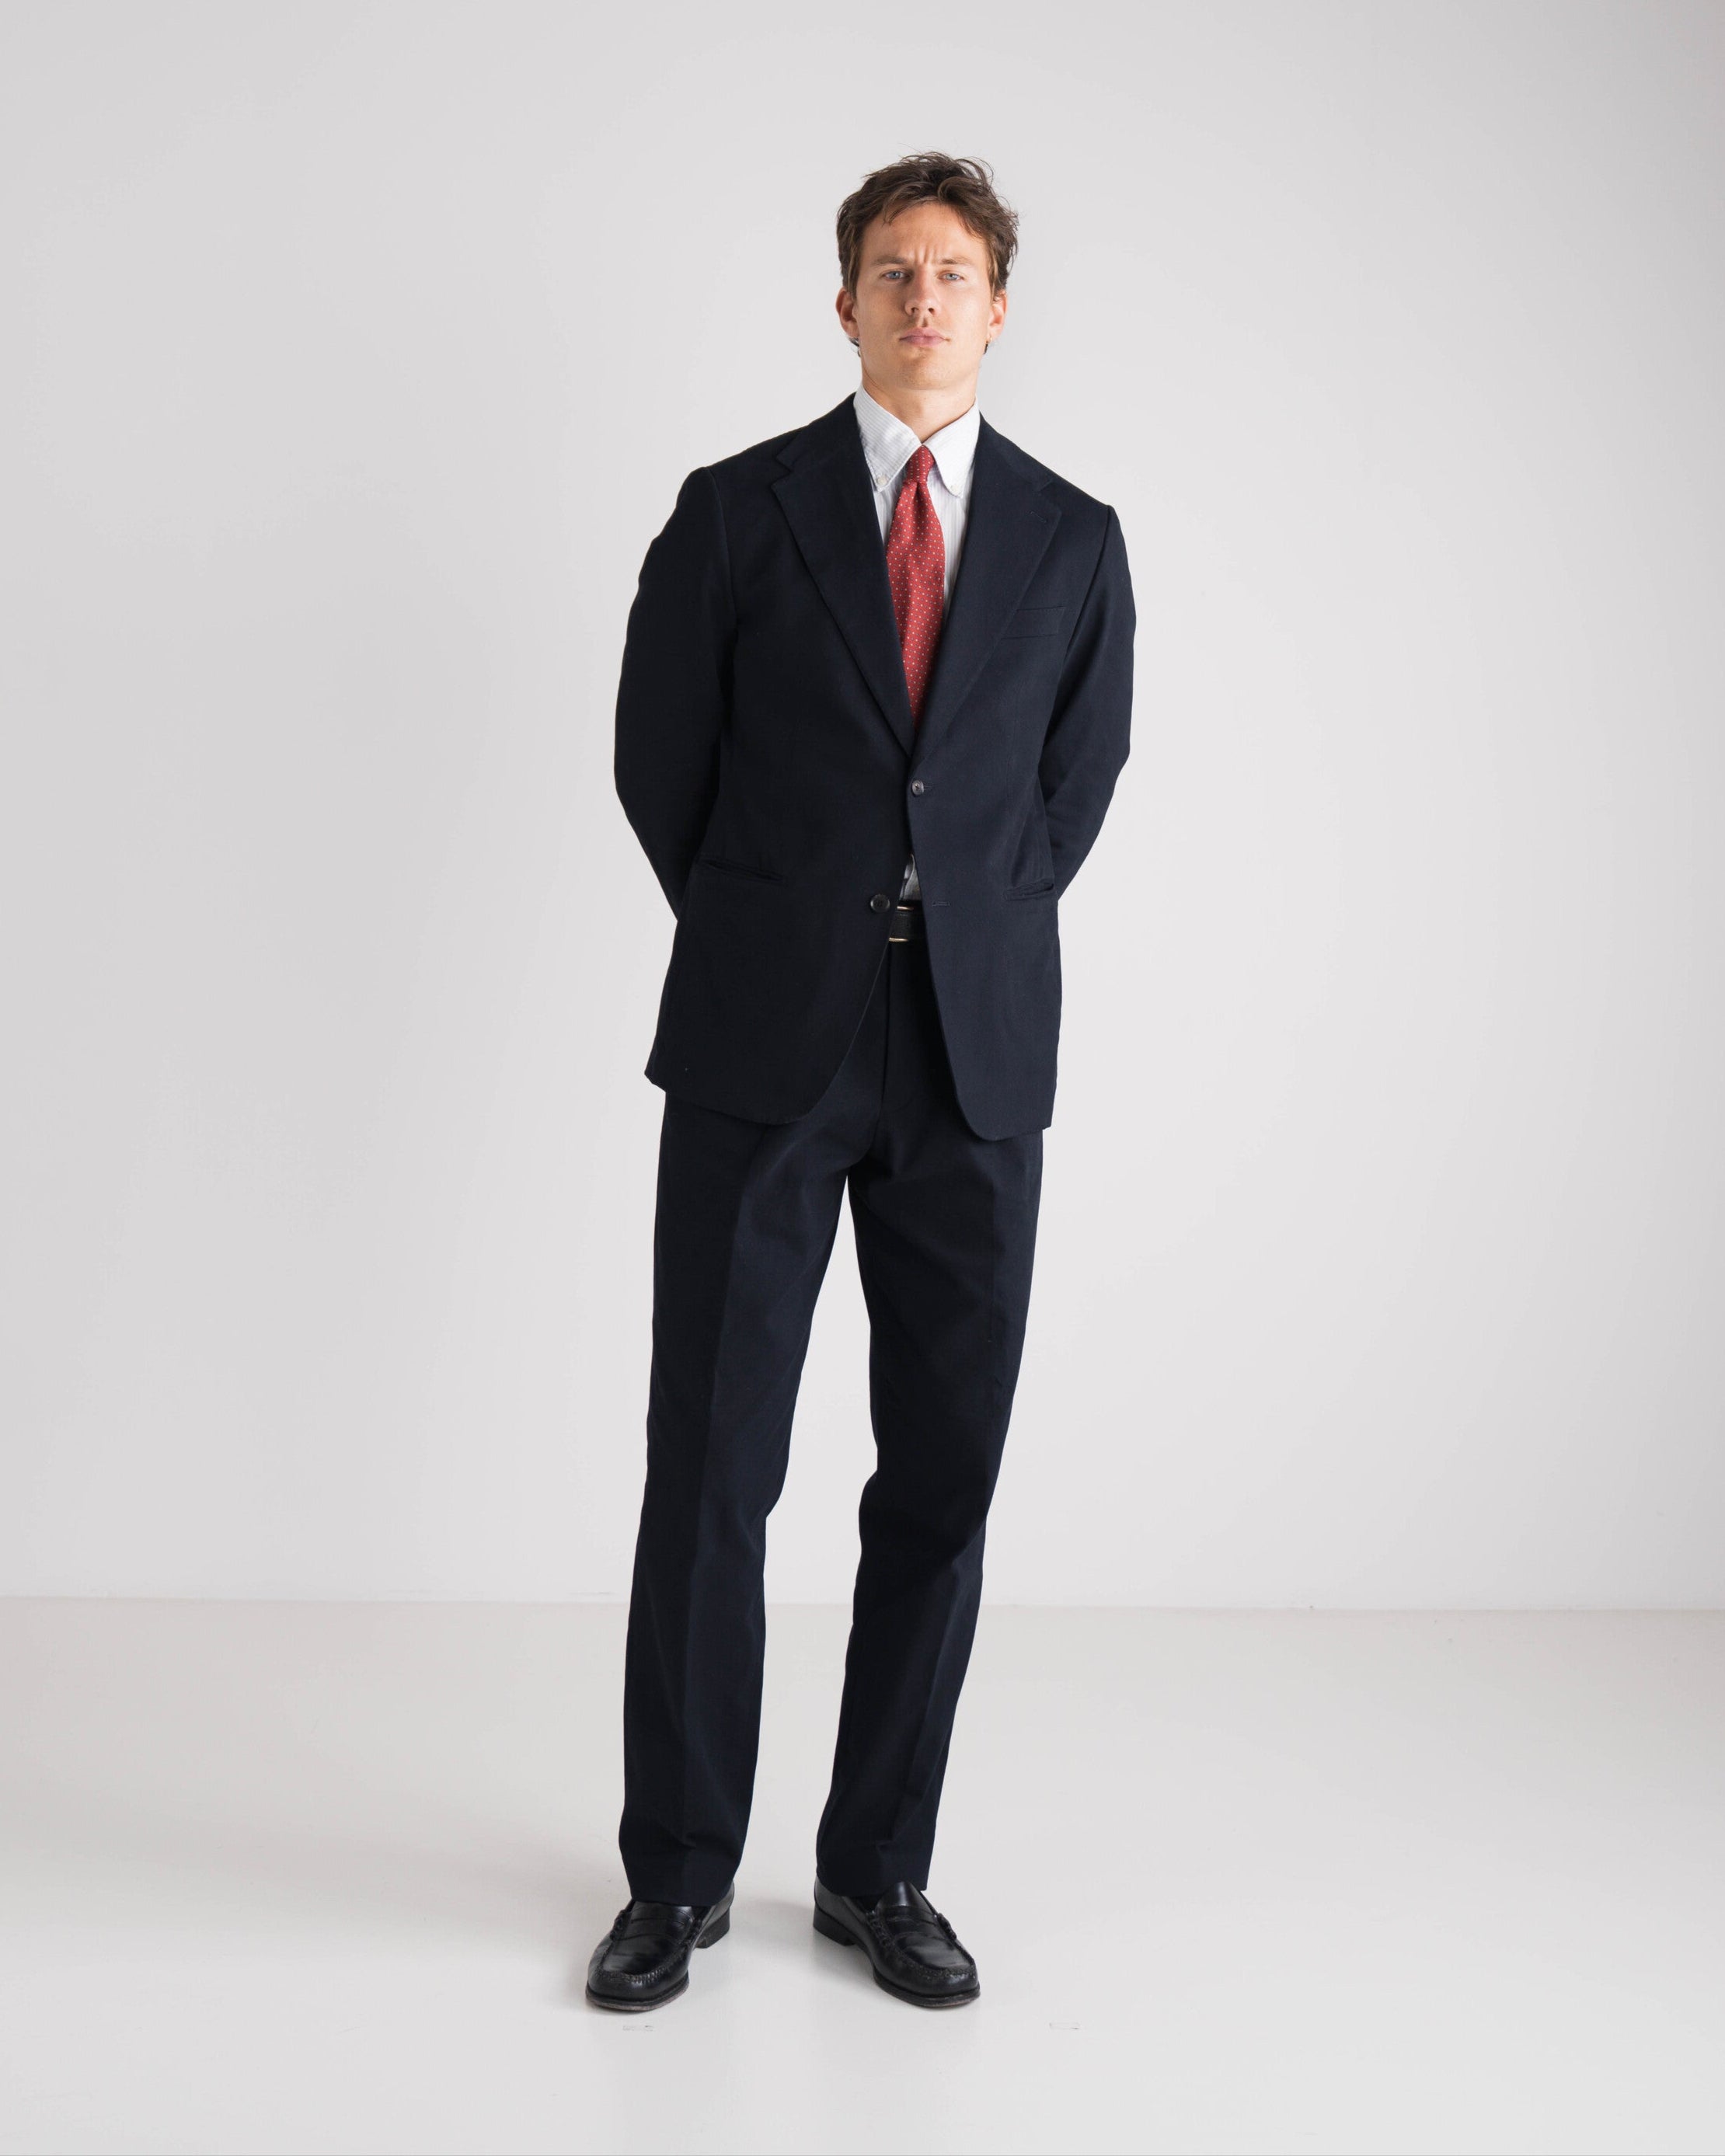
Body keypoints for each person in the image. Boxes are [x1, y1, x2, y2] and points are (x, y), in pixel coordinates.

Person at [587, 152, 1134, 2012]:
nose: (923, 298)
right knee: (711, 1464)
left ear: (999, 305)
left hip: (972, 1064)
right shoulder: (738, 513)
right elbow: (662, 761)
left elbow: (1065, 798)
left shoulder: (1074, 541)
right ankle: (675, 1875)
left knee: (944, 1477)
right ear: (844, 304)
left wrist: (947, 929)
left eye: (955, 270)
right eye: (892, 269)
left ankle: (878, 1865)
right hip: (762, 1042)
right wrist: (783, 924)